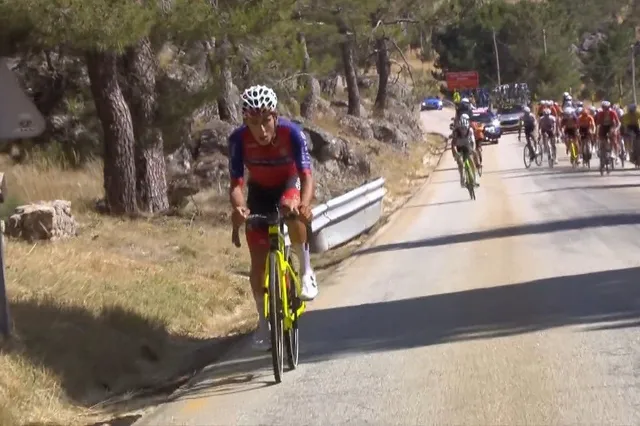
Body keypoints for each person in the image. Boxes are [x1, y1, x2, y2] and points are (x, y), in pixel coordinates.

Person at [228, 85, 318, 350]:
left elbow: (306, 175)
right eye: (253, 123)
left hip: (288, 183)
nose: (261, 130)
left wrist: (304, 203)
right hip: (259, 191)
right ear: (246, 122)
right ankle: (263, 321)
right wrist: (240, 207)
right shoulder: (237, 140)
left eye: (266, 121)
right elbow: (235, 184)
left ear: (275, 117)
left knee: (289, 208)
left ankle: (305, 271)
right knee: (257, 262)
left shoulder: (293, 133)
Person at [451, 113, 480, 187]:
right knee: (460, 162)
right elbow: (453, 145)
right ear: (459, 128)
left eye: (465, 128)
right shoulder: (456, 132)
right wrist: (455, 154)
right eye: (462, 129)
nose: (463, 130)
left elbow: (473, 142)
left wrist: (473, 150)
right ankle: (462, 178)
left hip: (467, 146)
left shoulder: (470, 130)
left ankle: (474, 179)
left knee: (470, 160)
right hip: (459, 147)